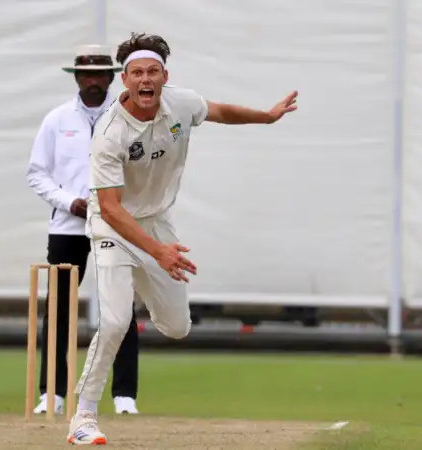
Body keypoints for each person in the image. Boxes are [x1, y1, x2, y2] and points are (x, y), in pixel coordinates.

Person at [66, 32, 298, 445]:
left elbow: (220, 111)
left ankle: (143, 281)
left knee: (176, 328)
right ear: (125, 80)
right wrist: (155, 253)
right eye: (137, 72)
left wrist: (267, 116)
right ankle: (83, 418)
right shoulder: (109, 132)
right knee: (116, 321)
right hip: (111, 228)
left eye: (153, 71)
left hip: (157, 223)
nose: (145, 79)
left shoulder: (181, 102)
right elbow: (113, 209)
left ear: (164, 76)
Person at [26, 44, 140, 416]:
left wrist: (121, 205)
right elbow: (37, 174)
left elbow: (142, 172)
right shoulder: (56, 120)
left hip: (116, 224)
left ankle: (124, 396)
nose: (92, 81)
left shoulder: (129, 118)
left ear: (111, 77)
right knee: (58, 310)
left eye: (99, 74)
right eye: (86, 75)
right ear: (76, 77)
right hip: (67, 226)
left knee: (120, 308)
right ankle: (53, 394)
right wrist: (68, 202)